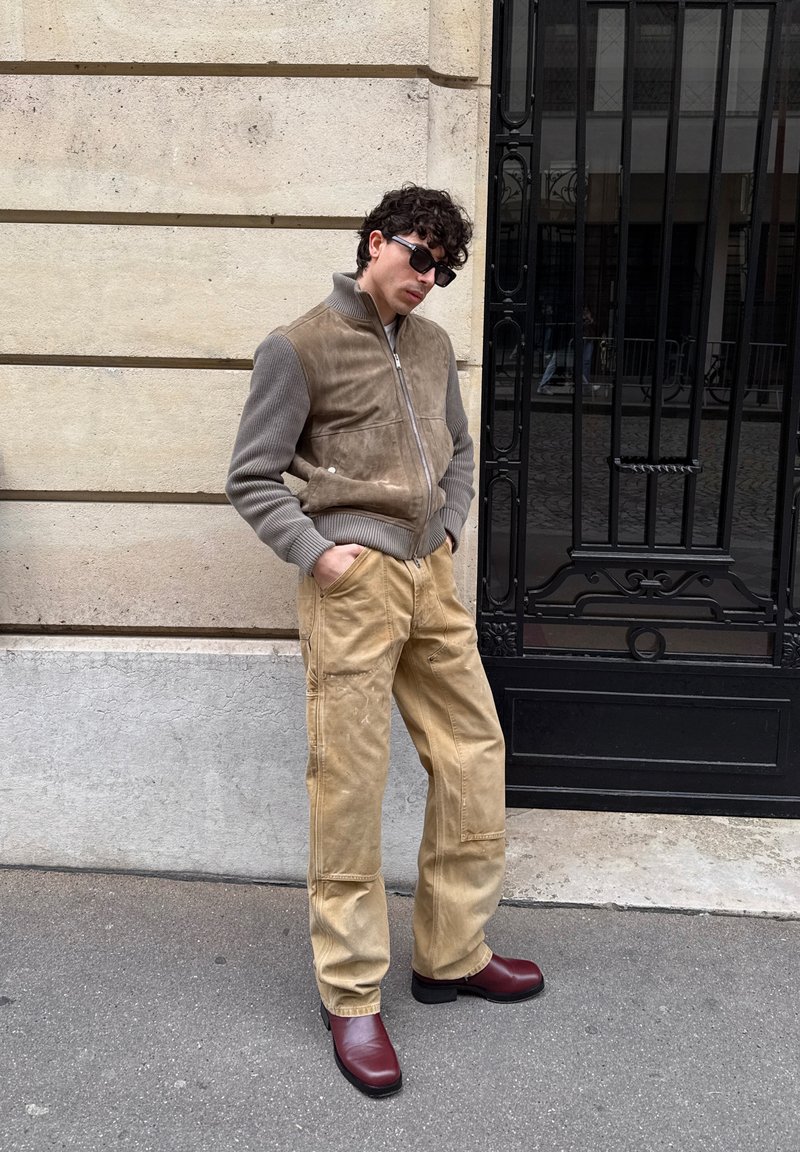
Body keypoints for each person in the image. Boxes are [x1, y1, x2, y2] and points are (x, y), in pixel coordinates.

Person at [226, 185, 543, 1098]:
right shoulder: (299, 347)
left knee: (473, 754)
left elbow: (463, 448)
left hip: (430, 579)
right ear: (376, 241)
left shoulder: (438, 346)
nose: (429, 278)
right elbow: (251, 478)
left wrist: (449, 526)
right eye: (419, 257)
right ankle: (352, 994)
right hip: (354, 586)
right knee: (352, 782)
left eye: (444, 269)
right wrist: (324, 559)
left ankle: (451, 953)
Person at [537, 305, 598, 394]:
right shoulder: (568, 316)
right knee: (556, 364)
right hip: (563, 344)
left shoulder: (566, 314)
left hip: (564, 343)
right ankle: (542, 385)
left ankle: (586, 386)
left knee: (569, 365)